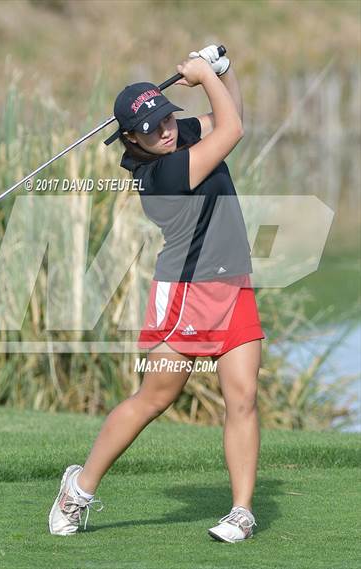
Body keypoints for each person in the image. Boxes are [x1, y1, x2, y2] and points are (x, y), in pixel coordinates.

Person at [49, 45, 265, 543]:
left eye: (167, 118)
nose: (166, 130)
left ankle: (240, 512)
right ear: (130, 138)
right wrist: (201, 74)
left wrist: (221, 73)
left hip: (234, 285)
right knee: (155, 399)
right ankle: (78, 488)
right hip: (187, 295)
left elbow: (228, 114)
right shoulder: (163, 174)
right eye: (151, 128)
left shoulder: (178, 139)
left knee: (244, 398)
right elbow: (233, 132)